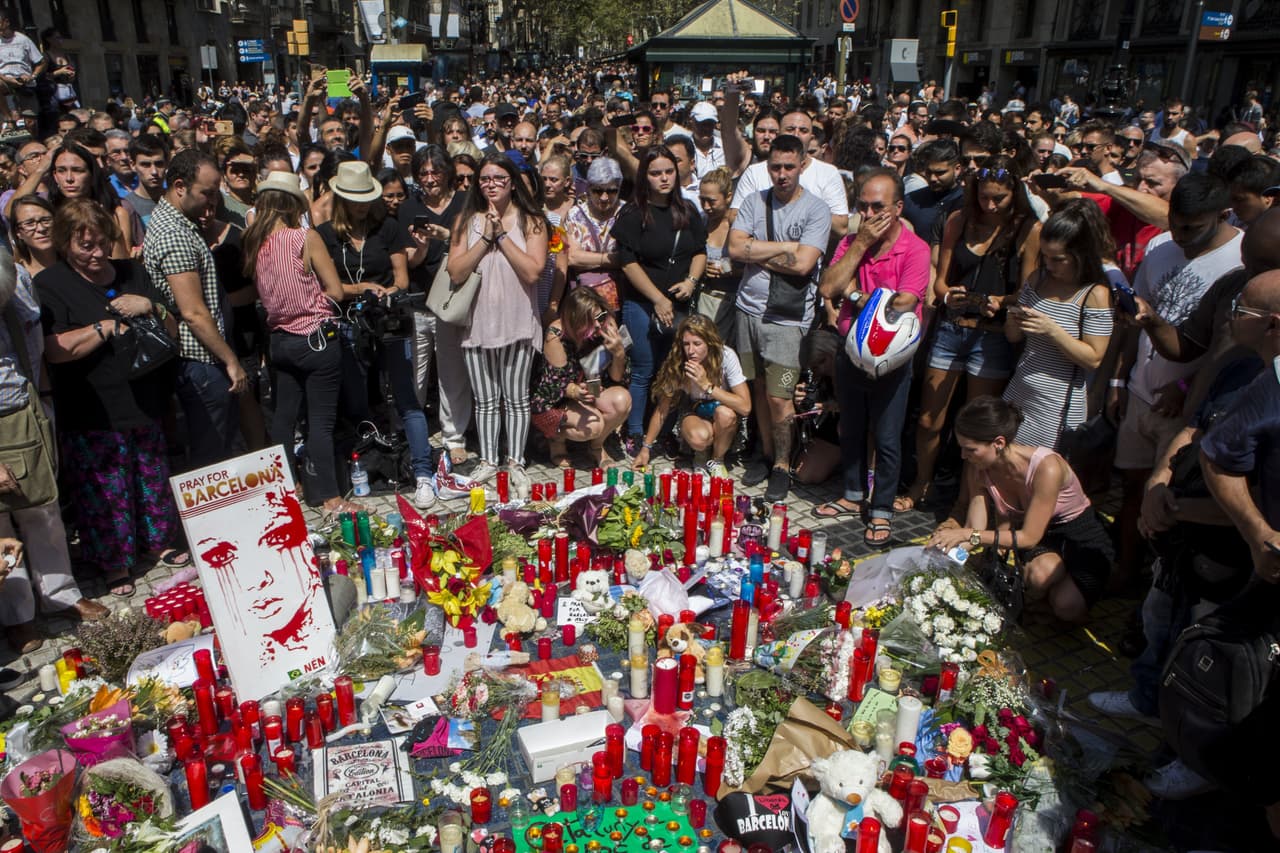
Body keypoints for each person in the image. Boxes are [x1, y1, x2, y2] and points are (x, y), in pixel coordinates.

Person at [38, 199, 183, 598]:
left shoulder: (132, 271)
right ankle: (114, 561)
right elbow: (53, 348)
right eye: (86, 246)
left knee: (150, 476)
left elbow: (172, 326)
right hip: (91, 405)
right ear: (67, 243)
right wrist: (103, 327)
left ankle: (159, 543)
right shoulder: (52, 283)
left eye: (103, 242)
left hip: (143, 395)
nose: (98, 253)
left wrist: (150, 304)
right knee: (105, 487)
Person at [903, 157, 1041, 509]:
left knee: (978, 428)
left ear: (1015, 194)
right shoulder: (958, 220)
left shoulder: (1028, 228)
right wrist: (949, 294)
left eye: (999, 199)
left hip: (993, 335)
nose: (990, 205)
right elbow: (940, 282)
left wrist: (1002, 301)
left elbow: (1028, 291)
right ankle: (922, 481)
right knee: (929, 418)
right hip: (952, 328)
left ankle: (967, 502)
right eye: (984, 197)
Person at [815, 168, 928, 544]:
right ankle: (851, 494)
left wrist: (857, 295)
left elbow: (904, 303)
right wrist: (860, 246)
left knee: (887, 435)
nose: (868, 214)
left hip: (891, 358)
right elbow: (829, 286)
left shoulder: (915, 249)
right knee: (851, 424)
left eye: (877, 206)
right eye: (862, 206)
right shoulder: (853, 242)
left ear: (897, 207)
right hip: (851, 349)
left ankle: (880, 509)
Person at [928, 396, 1114, 623]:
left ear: (998, 443)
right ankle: (1037, 599)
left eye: (970, 449)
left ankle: (1055, 597)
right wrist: (943, 550)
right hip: (1042, 541)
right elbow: (973, 529)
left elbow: (1026, 537)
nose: (963, 456)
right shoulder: (977, 467)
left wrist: (966, 536)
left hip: (1078, 536)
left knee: (1068, 607)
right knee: (1041, 576)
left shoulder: (1046, 468)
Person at [317, 161, 437, 506]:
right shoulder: (326, 234)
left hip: (388, 320)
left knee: (407, 397)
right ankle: (367, 466)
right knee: (357, 400)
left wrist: (385, 291)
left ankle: (423, 472)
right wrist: (362, 288)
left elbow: (401, 277)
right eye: (354, 198)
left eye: (365, 198)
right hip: (349, 323)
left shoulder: (388, 227)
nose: (361, 205)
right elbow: (327, 286)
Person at [241, 172, 360, 514]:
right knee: (320, 421)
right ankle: (329, 497)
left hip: (279, 339)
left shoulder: (255, 241)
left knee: (284, 417)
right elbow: (335, 290)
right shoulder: (304, 237)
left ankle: (287, 484)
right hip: (315, 337)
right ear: (294, 203)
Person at [730, 134, 830, 501]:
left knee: (780, 396)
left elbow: (804, 263)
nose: (782, 174)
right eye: (775, 167)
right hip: (748, 310)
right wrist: (787, 247)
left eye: (789, 166)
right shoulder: (754, 201)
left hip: (787, 320)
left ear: (803, 164)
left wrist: (757, 251)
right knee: (757, 387)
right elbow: (734, 247)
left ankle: (783, 465)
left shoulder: (815, 210)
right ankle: (764, 453)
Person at [446, 153, 548, 492]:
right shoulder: (465, 221)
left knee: (516, 397)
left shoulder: (532, 220)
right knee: (485, 398)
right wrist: (486, 238)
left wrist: (502, 236)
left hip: (518, 320)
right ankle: (489, 460)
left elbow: (533, 271)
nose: (491, 185)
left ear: (512, 183)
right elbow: (456, 271)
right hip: (477, 321)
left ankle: (515, 461)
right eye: (485, 179)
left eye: (499, 178)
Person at [142, 148, 247, 467]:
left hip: (202, 359)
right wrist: (231, 360)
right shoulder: (174, 235)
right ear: (179, 187)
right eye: (206, 192)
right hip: (200, 360)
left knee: (218, 447)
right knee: (212, 456)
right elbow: (193, 311)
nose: (212, 201)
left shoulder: (181, 224)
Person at [612, 144, 707, 454]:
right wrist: (657, 299)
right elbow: (628, 263)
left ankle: (664, 431)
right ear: (644, 177)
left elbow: (699, 251)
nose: (664, 178)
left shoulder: (688, 210)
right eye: (655, 173)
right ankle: (636, 432)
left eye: (669, 171)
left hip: (678, 305)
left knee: (673, 368)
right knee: (643, 368)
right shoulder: (633, 213)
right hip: (642, 303)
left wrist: (692, 281)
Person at [1001, 203, 1113, 449]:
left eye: (1058, 259)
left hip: (1058, 406)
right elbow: (1013, 337)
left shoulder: (1095, 294)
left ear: (1081, 255)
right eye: (1045, 257)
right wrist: (1013, 320)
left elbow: (1093, 359)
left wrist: (1051, 330)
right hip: (1019, 391)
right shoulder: (1037, 279)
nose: (1049, 265)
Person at [630, 314, 751, 478]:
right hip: (696, 412)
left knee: (725, 414)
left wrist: (707, 385)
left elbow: (745, 407)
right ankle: (700, 454)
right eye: (686, 344)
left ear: (710, 342)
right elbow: (662, 409)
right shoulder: (679, 362)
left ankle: (717, 460)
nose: (691, 351)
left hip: (723, 414)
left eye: (697, 344)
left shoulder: (726, 356)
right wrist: (646, 448)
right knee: (699, 438)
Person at [531, 287, 631, 468]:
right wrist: (577, 391)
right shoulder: (556, 335)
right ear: (577, 320)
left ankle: (596, 447)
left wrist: (618, 354)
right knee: (594, 425)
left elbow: (616, 377)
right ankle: (556, 440)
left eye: (600, 316)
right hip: (555, 398)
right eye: (593, 320)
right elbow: (555, 384)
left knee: (622, 400)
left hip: (589, 388)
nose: (600, 324)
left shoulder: (603, 325)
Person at [564, 156, 624, 313]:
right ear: (588, 188)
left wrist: (589, 260)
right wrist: (612, 259)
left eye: (611, 191)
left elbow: (631, 259)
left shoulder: (627, 213)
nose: (604, 197)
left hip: (623, 298)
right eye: (598, 190)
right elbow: (572, 257)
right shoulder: (575, 214)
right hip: (584, 301)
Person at [695, 167, 741, 341]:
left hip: (732, 302)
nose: (706, 207)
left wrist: (729, 270)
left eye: (712, 201)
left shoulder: (739, 225)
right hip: (705, 299)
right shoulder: (700, 222)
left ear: (728, 197)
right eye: (702, 200)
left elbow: (756, 265)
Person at [10, 195, 54, 280]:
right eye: (30, 223)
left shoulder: (76, 265)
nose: (41, 228)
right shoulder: (15, 277)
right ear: (18, 232)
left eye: (46, 220)